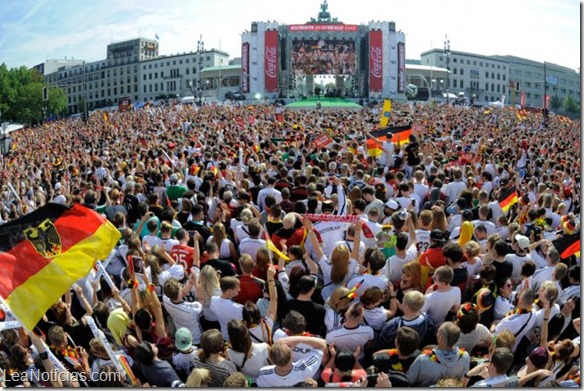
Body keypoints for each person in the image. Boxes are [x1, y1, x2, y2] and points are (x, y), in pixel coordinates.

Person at [406, 322, 470, 387]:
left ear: (440, 339)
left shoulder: (422, 359)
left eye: (438, 332)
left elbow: (408, 380)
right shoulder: (465, 357)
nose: (436, 334)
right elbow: (462, 381)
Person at [256, 336, 327, 387]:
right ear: (292, 357)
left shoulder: (263, 373)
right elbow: (322, 344)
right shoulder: (305, 368)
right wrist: (298, 339)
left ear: (271, 359)